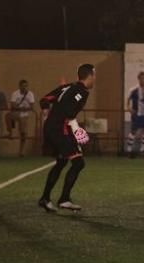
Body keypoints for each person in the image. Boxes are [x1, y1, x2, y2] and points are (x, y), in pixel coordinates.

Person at [37, 64, 95, 212]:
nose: (95, 79)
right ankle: (64, 199)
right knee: (78, 163)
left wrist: (48, 113)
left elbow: (44, 100)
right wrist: (77, 129)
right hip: (60, 129)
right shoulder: (82, 91)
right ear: (90, 76)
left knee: (62, 162)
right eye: (94, 76)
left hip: (51, 127)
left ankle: (45, 198)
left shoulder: (67, 87)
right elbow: (69, 113)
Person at [126, 71, 144, 158]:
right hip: (137, 114)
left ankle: (142, 150)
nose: (143, 80)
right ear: (139, 79)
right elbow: (128, 101)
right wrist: (129, 109)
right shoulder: (133, 90)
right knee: (133, 131)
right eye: (141, 78)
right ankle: (129, 150)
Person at [7, 79, 36, 157]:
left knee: (23, 133)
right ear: (19, 86)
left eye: (26, 86)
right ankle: (10, 132)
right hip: (16, 113)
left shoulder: (30, 94)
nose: (24, 88)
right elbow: (13, 105)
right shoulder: (15, 93)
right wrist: (23, 108)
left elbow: (32, 106)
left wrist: (22, 108)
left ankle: (21, 151)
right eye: (23, 86)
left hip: (24, 115)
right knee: (8, 116)